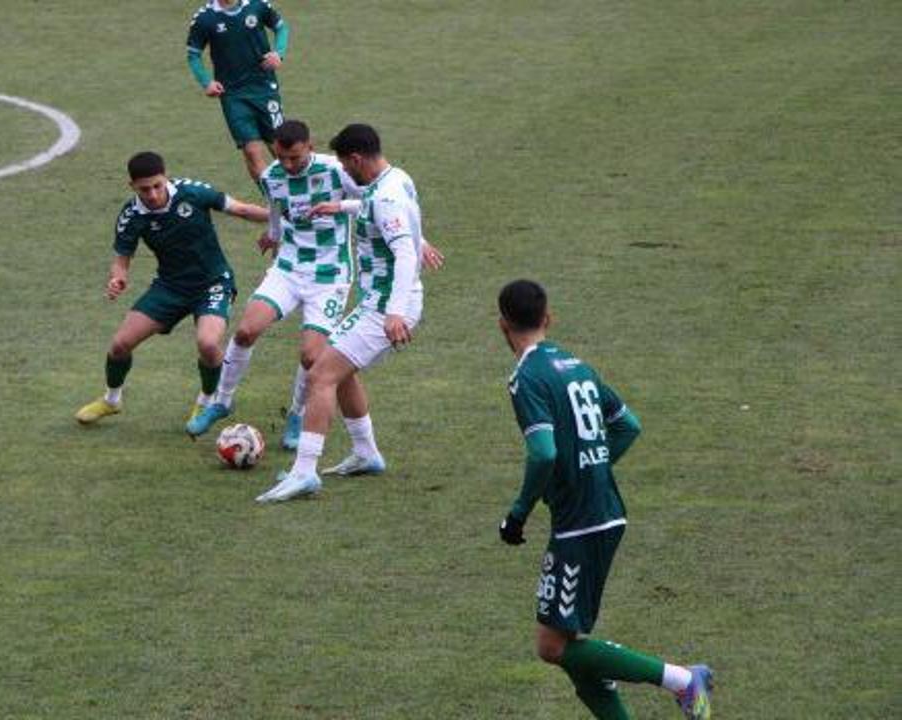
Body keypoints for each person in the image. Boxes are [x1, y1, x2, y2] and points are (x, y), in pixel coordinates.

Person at [493, 279, 714, 719]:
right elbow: (627, 425)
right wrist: (593, 466)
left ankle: (684, 680)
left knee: (552, 646)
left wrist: (518, 514)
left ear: (502, 326)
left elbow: (543, 453)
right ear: (548, 318)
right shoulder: (578, 366)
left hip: (580, 523)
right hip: (605, 511)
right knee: (571, 644)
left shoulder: (527, 378)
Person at [187, 120, 445, 451]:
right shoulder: (273, 177)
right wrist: (274, 235)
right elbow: (277, 210)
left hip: (330, 273)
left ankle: (297, 415)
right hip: (289, 267)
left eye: (294, 157)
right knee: (246, 331)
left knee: (312, 356)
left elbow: (377, 202)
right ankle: (221, 401)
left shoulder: (338, 171)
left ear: (310, 147)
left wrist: (416, 238)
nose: (288, 165)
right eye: (281, 157)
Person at [257, 123, 431, 502]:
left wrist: (395, 313)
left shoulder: (385, 199)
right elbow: (379, 209)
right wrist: (343, 205)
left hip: (383, 308)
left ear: (356, 158)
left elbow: (403, 252)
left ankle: (304, 472)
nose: (343, 173)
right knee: (341, 367)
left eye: (344, 165)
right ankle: (366, 453)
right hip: (377, 303)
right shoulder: (394, 179)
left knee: (320, 373)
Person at [74, 152, 269, 426]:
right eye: (144, 189)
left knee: (209, 344)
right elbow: (121, 260)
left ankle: (207, 401)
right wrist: (117, 279)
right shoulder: (131, 216)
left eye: (157, 185)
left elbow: (241, 209)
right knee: (120, 345)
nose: (152, 194)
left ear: (166, 177)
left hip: (213, 282)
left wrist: (280, 218)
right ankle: (111, 400)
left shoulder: (193, 193)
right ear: (132, 186)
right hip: (170, 286)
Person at [187, 0, 290, 182]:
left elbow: (281, 27)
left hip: (264, 87)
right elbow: (194, 54)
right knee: (251, 151)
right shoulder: (204, 18)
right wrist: (206, 82)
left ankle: (300, 192)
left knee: (280, 148)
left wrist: (278, 53)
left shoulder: (257, 5)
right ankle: (275, 203)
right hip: (233, 94)